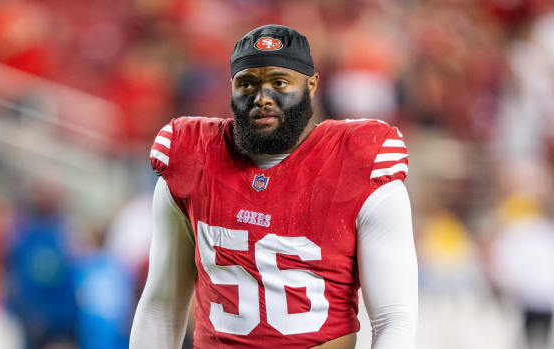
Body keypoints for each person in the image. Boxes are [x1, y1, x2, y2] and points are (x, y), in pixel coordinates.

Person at [130, 25, 418, 349]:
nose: (262, 98)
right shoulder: (193, 161)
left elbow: (393, 319)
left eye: (279, 83)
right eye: (247, 83)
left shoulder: (359, 163)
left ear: (311, 86)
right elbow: (161, 306)